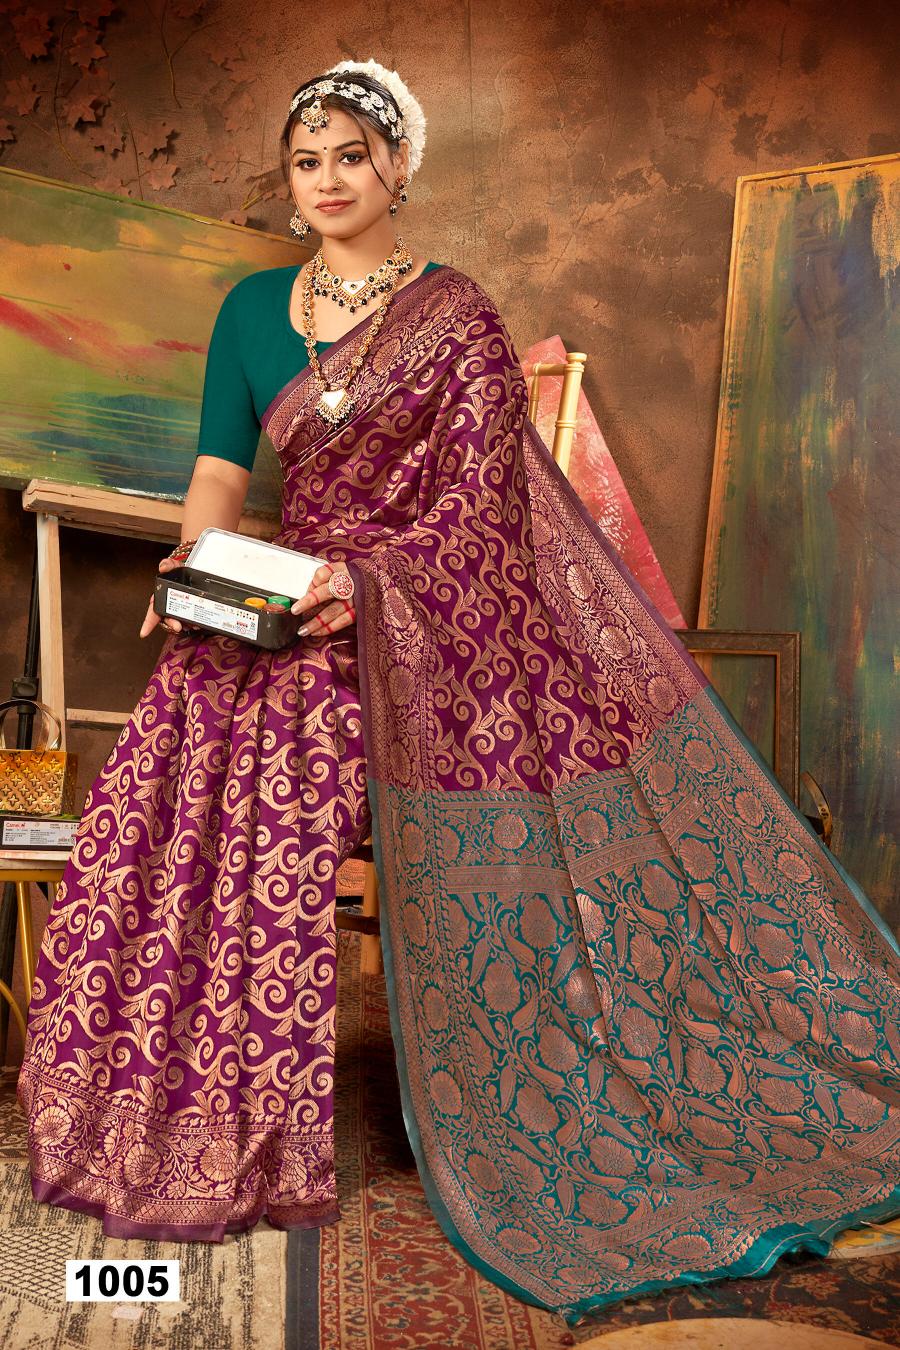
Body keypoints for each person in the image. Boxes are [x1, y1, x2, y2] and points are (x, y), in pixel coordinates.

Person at [16, 59, 900, 1324]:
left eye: (351, 157)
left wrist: (366, 588)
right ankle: (181, 1097)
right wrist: (193, 568)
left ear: (398, 170)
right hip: (281, 594)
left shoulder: (457, 314)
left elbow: (482, 513)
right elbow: (219, 472)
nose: (327, 181)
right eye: (306, 161)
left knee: (290, 740)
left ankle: (265, 1112)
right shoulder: (253, 309)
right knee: (179, 725)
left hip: (420, 616)